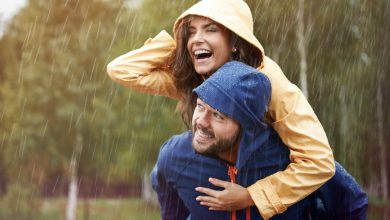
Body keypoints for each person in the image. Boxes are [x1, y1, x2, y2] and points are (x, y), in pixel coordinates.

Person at [107, 0, 335, 218]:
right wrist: (182, 44)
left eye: (210, 29)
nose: (197, 38)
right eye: (192, 31)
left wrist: (251, 196)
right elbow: (122, 70)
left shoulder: (269, 81)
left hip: (271, 190)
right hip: (215, 183)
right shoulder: (196, 78)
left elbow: (319, 162)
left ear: (236, 40)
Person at [151, 61, 368, 220]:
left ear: (247, 126)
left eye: (218, 115)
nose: (201, 122)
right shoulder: (175, 156)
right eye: (200, 106)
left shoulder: (293, 159)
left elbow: (352, 204)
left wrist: (253, 196)